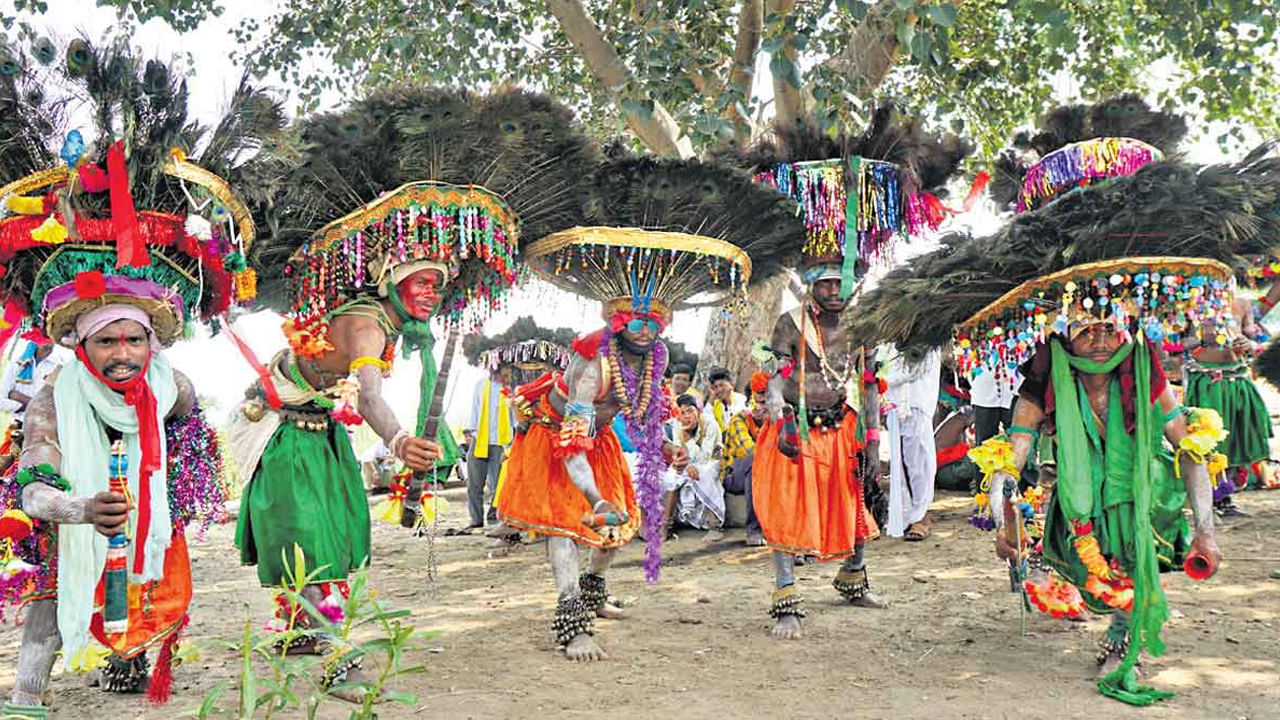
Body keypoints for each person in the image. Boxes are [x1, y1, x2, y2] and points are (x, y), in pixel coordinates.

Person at [0, 46, 255, 713]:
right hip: (68, 516)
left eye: (134, 339)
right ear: (79, 343)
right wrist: (76, 508)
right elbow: (34, 481)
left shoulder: (173, 386)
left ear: (152, 340)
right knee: (54, 599)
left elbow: (189, 433)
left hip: (140, 511)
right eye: (107, 340)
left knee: (146, 554)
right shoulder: (57, 391)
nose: (122, 354)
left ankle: (128, 661)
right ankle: (26, 699)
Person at [499, 153, 800, 661]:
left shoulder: (654, 359)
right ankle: (571, 619)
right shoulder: (589, 366)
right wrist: (593, 497)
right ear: (617, 321)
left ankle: (593, 593)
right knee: (568, 528)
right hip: (556, 443)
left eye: (654, 321)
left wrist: (666, 446)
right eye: (637, 319)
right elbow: (572, 447)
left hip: (597, 444)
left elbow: (647, 412)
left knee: (616, 529)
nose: (646, 327)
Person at [755, 258, 887, 641]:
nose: (834, 292)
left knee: (854, 504)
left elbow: (869, 385)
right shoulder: (790, 323)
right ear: (811, 285)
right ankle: (787, 601)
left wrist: (874, 441)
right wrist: (780, 420)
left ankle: (853, 580)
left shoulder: (862, 325)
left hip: (841, 428)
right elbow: (777, 378)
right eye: (826, 284)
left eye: (840, 284)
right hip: (796, 429)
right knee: (786, 510)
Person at [1181, 296, 1272, 515]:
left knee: (1233, 438)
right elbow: (1173, 342)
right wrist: (1202, 340)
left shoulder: (1242, 304)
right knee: (1206, 439)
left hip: (1237, 380)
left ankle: (1226, 497)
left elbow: (1257, 337)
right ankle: (1209, 498)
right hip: (1206, 383)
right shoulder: (1187, 301)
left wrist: (1249, 344)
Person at [882, 346, 942, 541]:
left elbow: (913, 370)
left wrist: (878, 377)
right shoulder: (887, 340)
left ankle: (921, 516)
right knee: (899, 462)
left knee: (919, 462)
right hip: (893, 404)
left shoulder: (927, 339)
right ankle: (906, 514)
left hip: (917, 405)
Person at [662, 394, 725, 540]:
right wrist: (686, 465)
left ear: (698, 411)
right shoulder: (678, 424)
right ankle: (667, 525)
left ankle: (715, 525)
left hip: (713, 462)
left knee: (706, 473)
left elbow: (705, 457)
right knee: (672, 475)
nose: (686, 417)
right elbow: (678, 452)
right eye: (682, 413)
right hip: (688, 464)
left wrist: (687, 438)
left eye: (690, 411)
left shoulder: (710, 424)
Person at [722, 372, 769, 545]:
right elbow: (750, 450)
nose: (758, 407)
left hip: (767, 473)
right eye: (755, 402)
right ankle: (754, 530)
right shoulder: (739, 419)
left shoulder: (774, 420)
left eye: (763, 402)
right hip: (734, 476)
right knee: (753, 463)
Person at [463, 367, 514, 529]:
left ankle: (494, 517)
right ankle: (475, 519)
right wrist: (471, 432)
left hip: (501, 441)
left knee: (497, 484)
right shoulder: (480, 384)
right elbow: (475, 409)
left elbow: (514, 417)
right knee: (474, 484)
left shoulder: (511, 389)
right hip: (479, 439)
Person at [0, 341, 69, 423]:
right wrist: (27, 406)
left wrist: (19, 398)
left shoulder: (61, 366)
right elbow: (1, 401)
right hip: (17, 426)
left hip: (45, 427)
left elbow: (60, 408)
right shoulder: (17, 362)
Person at [702, 366, 746, 436]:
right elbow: (706, 421)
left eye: (722, 385)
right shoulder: (716, 404)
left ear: (731, 384)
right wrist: (711, 399)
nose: (719, 390)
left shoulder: (741, 399)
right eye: (715, 387)